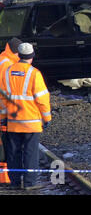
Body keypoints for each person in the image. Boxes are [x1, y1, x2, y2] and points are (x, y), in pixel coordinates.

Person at [2, 43, 51, 190]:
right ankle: (30, 183)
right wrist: (47, 118)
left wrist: (3, 117)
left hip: (13, 121)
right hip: (31, 123)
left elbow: (2, 98)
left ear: (19, 55)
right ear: (32, 56)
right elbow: (42, 99)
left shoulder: (7, 72)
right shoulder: (34, 73)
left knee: (13, 152)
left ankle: (15, 182)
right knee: (31, 152)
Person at [0, 37, 22, 184]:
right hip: (3, 111)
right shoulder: (7, 65)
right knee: (5, 144)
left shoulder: (3, 59)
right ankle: (5, 177)